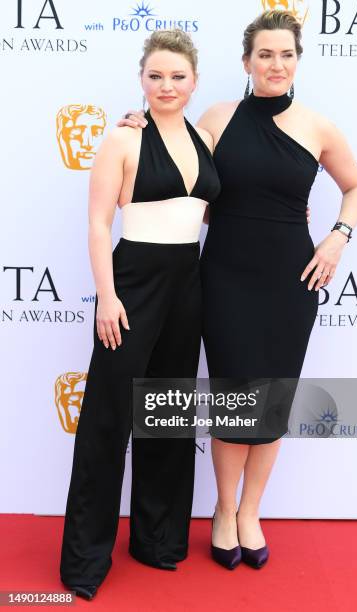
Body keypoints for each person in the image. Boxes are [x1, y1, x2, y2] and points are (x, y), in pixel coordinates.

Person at [119, 10, 357, 571]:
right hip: (226, 276)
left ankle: (251, 510)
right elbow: (180, 166)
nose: (275, 64)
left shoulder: (317, 126)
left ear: (297, 60)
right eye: (265, 55)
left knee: (271, 400)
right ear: (246, 62)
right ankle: (224, 510)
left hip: (291, 280)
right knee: (236, 396)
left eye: (285, 55)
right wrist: (140, 121)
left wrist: (336, 238)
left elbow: (356, 187)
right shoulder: (217, 116)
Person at [60, 29, 220, 600]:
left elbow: (199, 210)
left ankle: (157, 541)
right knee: (108, 419)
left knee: (169, 414)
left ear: (195, 80)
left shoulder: (205, 136)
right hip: (132, 283)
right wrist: (107, 295)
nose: (167, 85)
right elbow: (99, 223)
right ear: (142, 80)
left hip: (188, 284)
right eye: (156, 76)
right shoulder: (123, 139)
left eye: (178, 76)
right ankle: (84, 562)